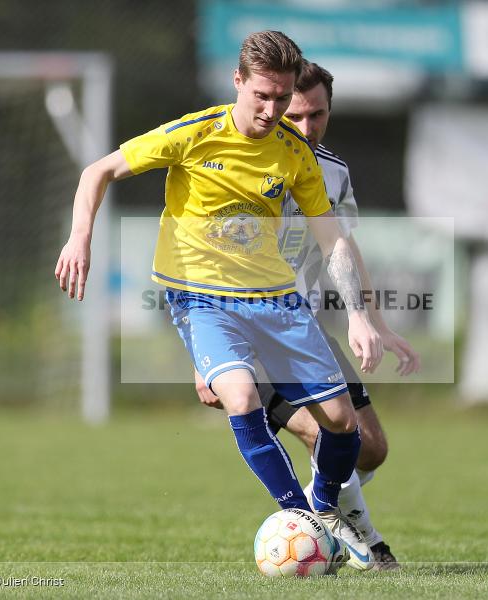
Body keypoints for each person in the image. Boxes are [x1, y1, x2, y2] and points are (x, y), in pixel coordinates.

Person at [55, 31, 382, 571]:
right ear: (238, 82)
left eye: (282, 99)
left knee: (344, 423)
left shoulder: (294, 153)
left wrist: (359, 317)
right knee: (240, 398)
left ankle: (322, 511)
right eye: (263, 96)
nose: (273, 110)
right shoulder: (195, 133)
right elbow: (99, 172)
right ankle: (300, 517)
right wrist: (80, 236)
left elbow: (333, 241)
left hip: (275, 300)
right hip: (201, 298)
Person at [193, 61, 420, 570]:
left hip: (303, 327)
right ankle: (357, 536)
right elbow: (197, 253)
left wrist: (369, 320)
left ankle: (322, 513)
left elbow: (343, 246)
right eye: (293, 114)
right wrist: (200, 354)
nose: (304, 127)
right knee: (324, 435)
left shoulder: (332, 171)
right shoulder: (240, 163)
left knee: (370, 448)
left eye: (316, 115)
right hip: (245, 328)